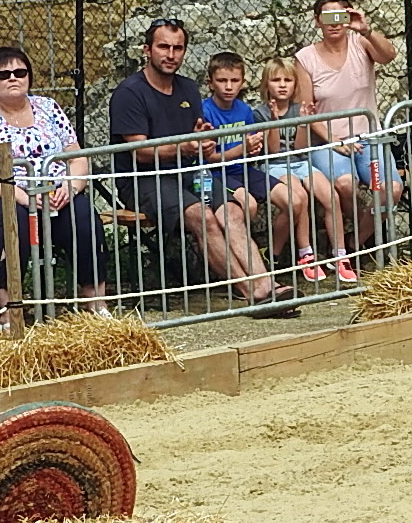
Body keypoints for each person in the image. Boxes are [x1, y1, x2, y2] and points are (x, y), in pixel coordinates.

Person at [112, 20, 295, 316]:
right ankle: (255, 294)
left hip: (191, 171)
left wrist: (205, 142)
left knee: (233, 211)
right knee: (203, 217)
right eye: (163, 47)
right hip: (145, 178)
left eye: (177, 48)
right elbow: (141, 152)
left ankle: (267, 285)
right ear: (147, 50)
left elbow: (198, 133)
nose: (171, 54)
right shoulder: (130, 92)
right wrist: (183, 148)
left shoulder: (186, 88)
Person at [0, 46, 109, 317]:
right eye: (3, 74)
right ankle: (9, 311)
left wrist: (70, 187)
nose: (12, 78)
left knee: (84, 218)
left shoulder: (48, 106)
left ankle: (96, 305)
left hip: (53, 191)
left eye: (19, 72)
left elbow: (77, 158)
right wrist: (19, 194)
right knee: (11, 221)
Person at [296, 0, 400, 259]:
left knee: (391, 190)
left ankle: (356, 242)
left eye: (339, 16)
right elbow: (306, 111)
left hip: (368, 138)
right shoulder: (305, 58)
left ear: (348, 16)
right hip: (328, 140)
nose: (334, 23)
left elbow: (389, 56)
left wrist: (367, 30)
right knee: (344, 184)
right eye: (326, 17)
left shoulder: (360, 43)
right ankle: (360, 236)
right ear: (317, 21)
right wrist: (334, 141)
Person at [257, 56, 347, 283]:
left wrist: (304, 122)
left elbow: (300, 147)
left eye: (288, 80)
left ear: (295, 85)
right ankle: (306, 254)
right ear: (266, 84)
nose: (282, 85)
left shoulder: (299, 109)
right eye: (276, 80)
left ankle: (340, 255)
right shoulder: (260, 112)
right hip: (275, 164)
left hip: (300, 160)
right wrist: (275, 121)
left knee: (331, 197)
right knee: (301, 197)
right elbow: (273, 150)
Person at [198, 51, 271, 253]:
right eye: (222, 80)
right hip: (217, 174)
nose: (229, 87)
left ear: (243, 82)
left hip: (243, 169)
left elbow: (251, 150)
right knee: (249, 204)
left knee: (294, 197)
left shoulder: (244, 110)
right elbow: (209, 159)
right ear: (210, 83)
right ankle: (239, 254)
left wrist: (254, 147)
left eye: (234, 80)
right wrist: (243, 149)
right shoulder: (204, 112)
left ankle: (273, 254)